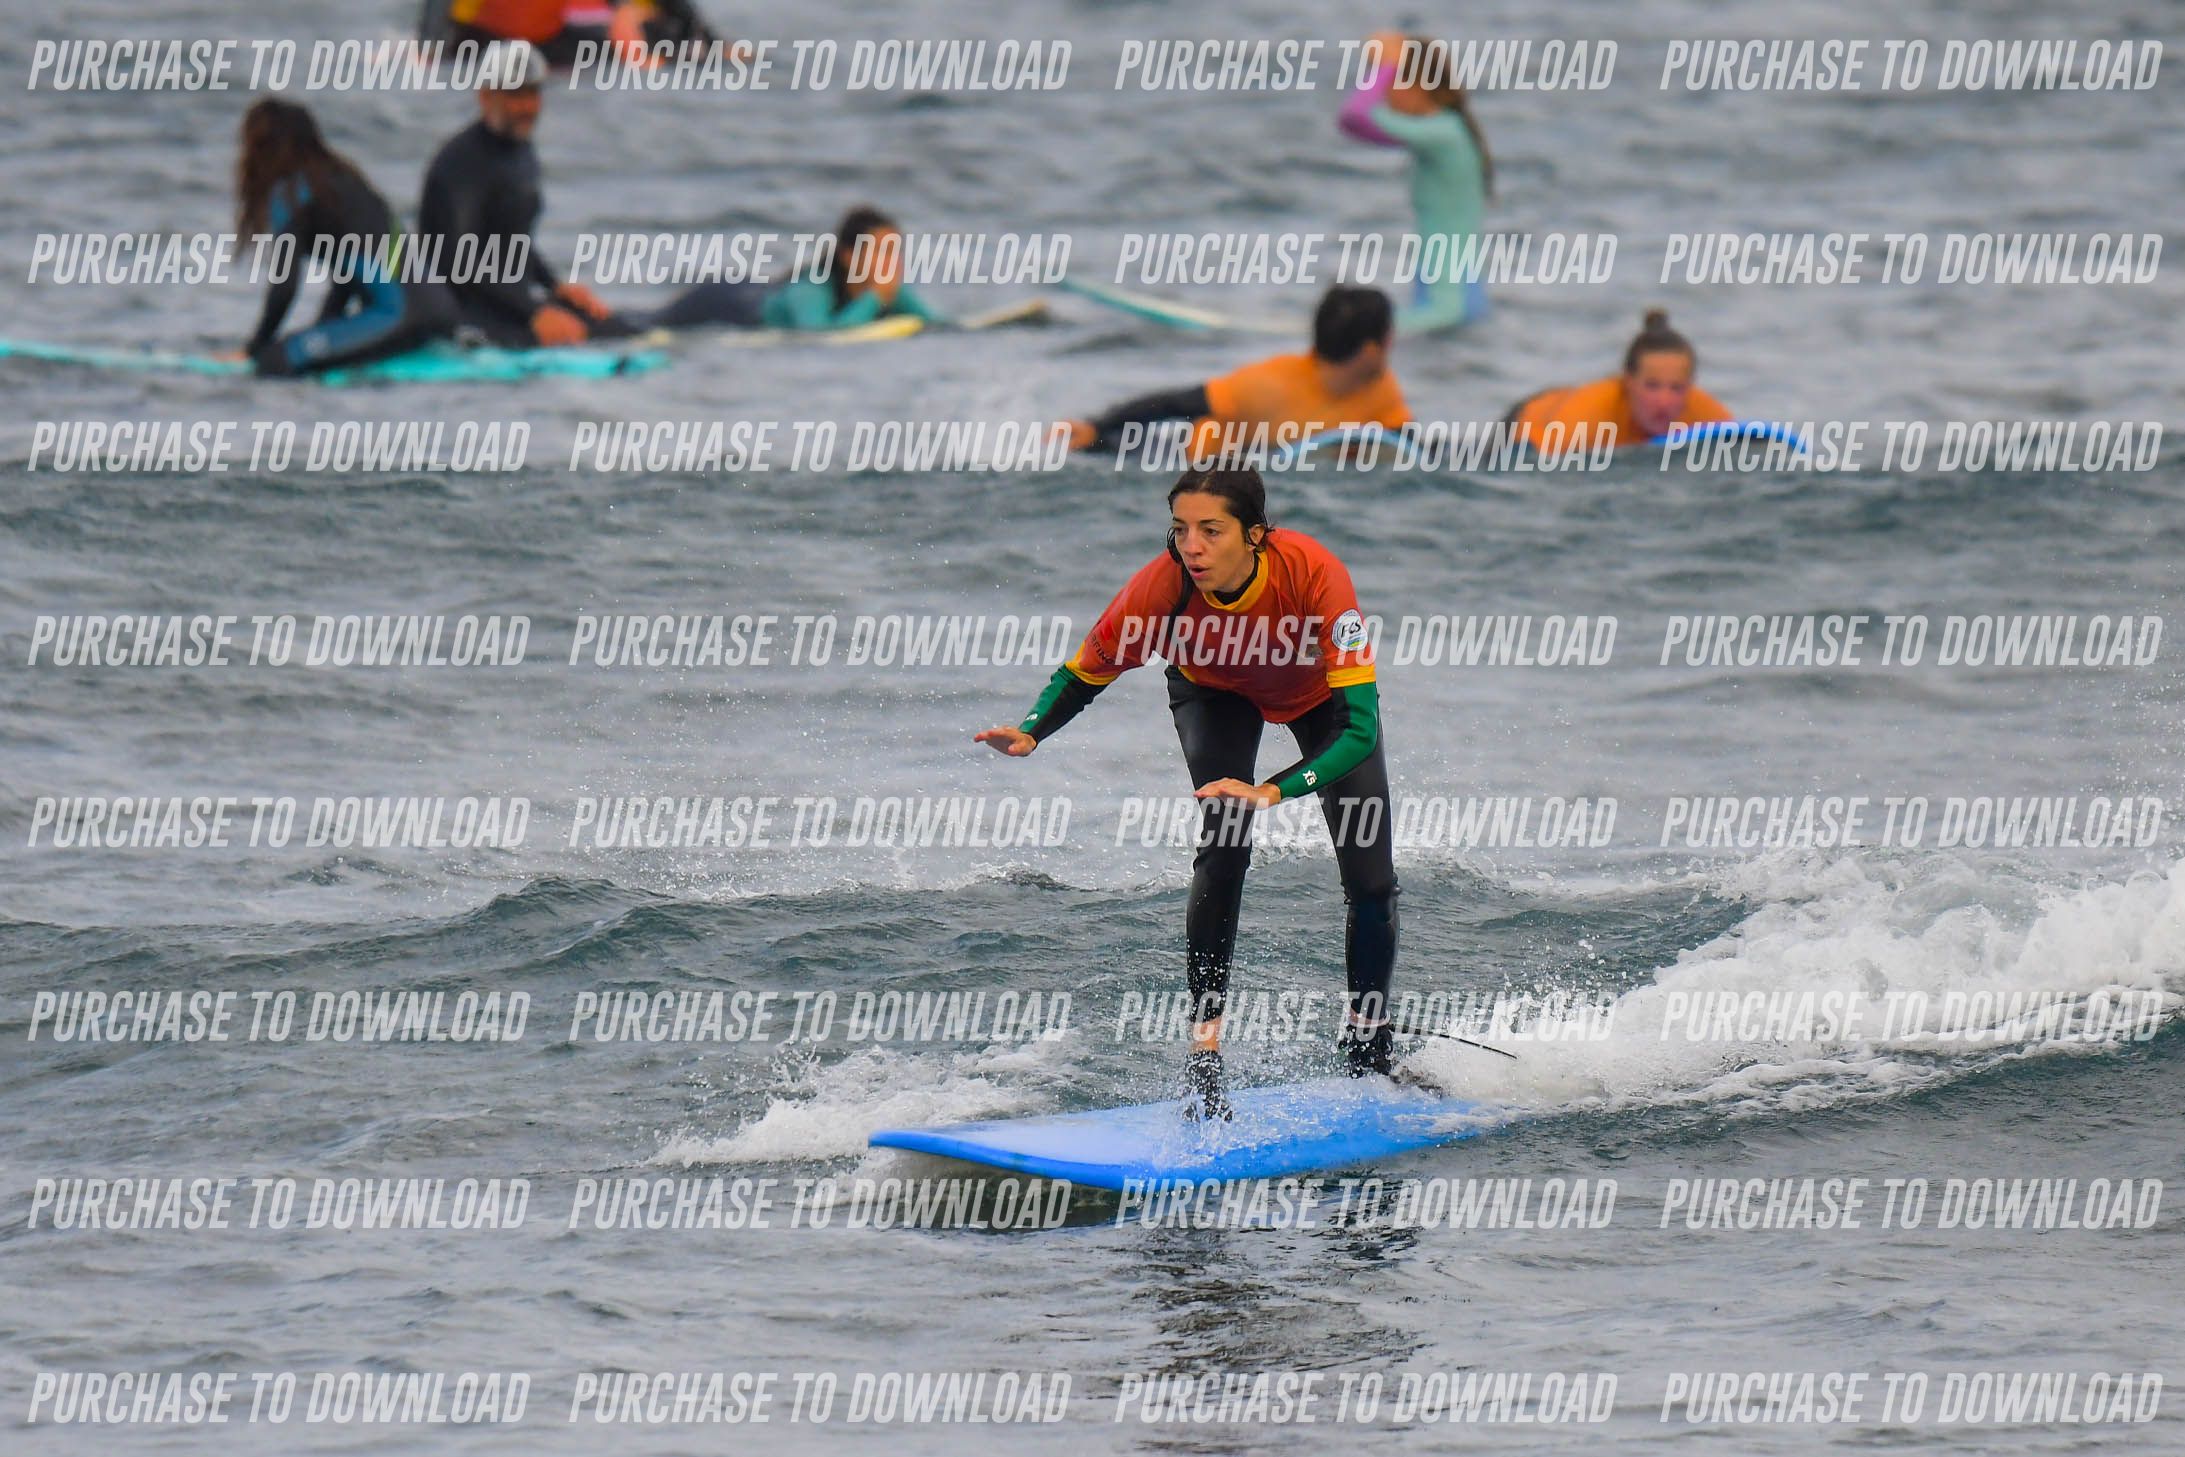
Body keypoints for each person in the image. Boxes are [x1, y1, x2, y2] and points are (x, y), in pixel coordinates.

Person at [976, 469, 1400, 1120]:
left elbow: (1359, 729)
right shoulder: (1163, 585)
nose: (1191, 546)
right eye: (1179, 529)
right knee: (1224, 842)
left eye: (1210, 530)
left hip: (1321, 700)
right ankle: (1204, 1056)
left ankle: (1369, 1043)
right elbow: (1087, 669)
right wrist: (1032, 730)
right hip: (1213, 691)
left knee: (1371, 879)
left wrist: (1271, 790)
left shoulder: (1315, 575)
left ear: (1254, 535)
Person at [416, 50, 638, 347]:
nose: (527, 107)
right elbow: (455, 261)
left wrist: (556, 286)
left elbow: (514, 242)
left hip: (511, 304)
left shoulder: (519, 152)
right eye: (515, 96)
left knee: (616, 329)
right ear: (486, 96)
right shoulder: (461, 164)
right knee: (595, 339)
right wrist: (534, 313)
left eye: (533, 94)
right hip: (466, 313)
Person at [234, 98, 457, 376]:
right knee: (298, 348)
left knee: (276, 360)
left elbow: (285, 287)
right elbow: (352, 276)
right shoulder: (345, 180)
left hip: (398, 316)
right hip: (440, 310)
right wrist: (323, 329)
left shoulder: (291, 194)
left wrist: (254, 350)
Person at [1064, 287, 1411, 462]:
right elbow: (1175, 403)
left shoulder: (1381, 389)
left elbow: (1406, 445)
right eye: (1389, 335)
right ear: (1371, 350)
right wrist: (1097, 427)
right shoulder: (1268, 385)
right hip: (1181, 458)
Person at [1339, 31, 1493, 335]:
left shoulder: (1444, 134)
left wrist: (1387, 65)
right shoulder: (1445, 131)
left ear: (1417, 85)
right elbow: (1358, 124)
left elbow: (1355, 115)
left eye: (1391, 82)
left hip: (1448, 304)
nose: (1384, 94)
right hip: (1451, 297)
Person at [639, 206, 949, 331]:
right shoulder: (812, 289)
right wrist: (872, 301)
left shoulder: (888, 291)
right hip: (729, 302)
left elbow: (934, 324)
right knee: (647, 324)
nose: (892, 262)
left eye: (895, 252)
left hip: (761, 290)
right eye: (881, 252)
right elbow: (818, 334)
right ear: (848, 256)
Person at [1506, 309, 1734, 449]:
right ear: (1628, 382)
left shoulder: (1708, 419)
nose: (1664, 402)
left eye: (1677, 388)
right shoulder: (1581, 423)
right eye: (1652, 386)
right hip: (1526, 420)